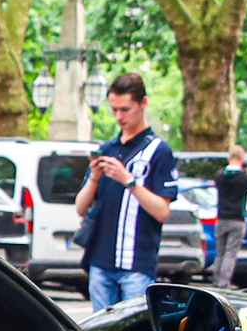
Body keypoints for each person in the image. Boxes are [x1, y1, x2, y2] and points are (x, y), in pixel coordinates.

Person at [72, 70, 177, 312]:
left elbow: (162, 211)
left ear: (143, 104)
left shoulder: (159, 151)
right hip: (100, 260)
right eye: (114, 109)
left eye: (125, 109)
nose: (119, 116)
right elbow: (80, 207)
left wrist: (129, 181)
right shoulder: (107, 148)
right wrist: (95, 178)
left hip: (136, 264)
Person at [212, 143, 247, 287]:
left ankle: (216, 280)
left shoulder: (219, 175)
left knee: (220, 252)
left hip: (221, 217)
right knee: (230, 253)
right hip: (237, 219)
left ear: (229, 158)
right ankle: (223, 284)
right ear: (242, 159)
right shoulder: (244, 177)